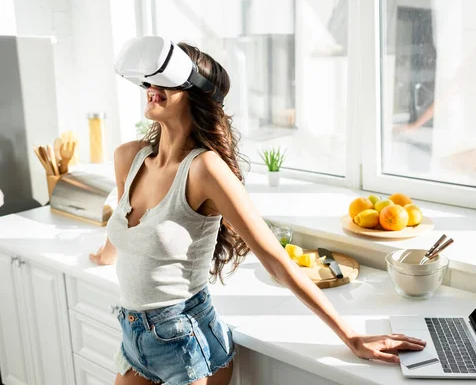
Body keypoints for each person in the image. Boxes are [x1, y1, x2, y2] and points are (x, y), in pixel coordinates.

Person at [89, 41, 425, 385]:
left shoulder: (205, 170)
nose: (151, 87)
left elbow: (277, 260)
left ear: (197, 91)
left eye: (166, 78)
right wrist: (104, 255)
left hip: (187, 341)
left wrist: (350, 336)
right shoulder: (129, 156)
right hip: (134, 337)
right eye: (149, 79)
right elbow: (126, 224)